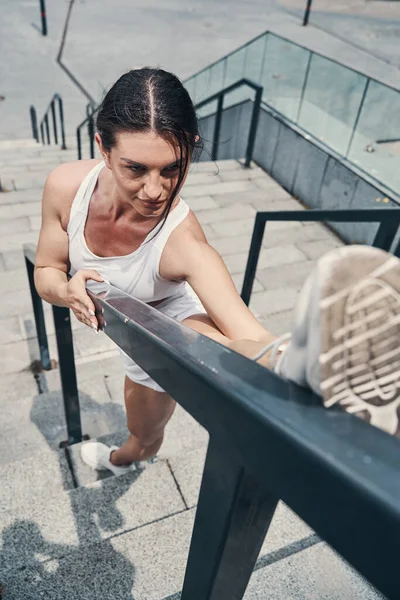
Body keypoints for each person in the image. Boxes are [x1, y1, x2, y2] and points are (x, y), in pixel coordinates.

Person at [34, 68, 400, 477]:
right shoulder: (66, 188)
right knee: (143, 434)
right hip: (122, 327)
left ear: (190, 148)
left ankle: (304, 367)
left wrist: (272, 347)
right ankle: (124, 461)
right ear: (102, 147)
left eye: (172, 169)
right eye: (136, 169)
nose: (155, 190)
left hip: (167, 315)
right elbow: (47, 268)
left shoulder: (182, 240)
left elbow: (246, 330)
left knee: (150, 429)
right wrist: (67, 292)